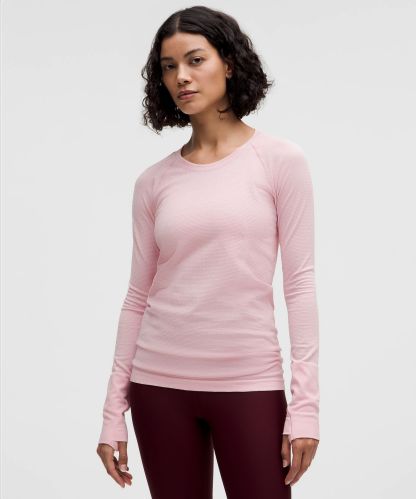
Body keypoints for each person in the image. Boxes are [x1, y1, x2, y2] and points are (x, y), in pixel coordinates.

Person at [96, 5, 320, 498]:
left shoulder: (280, 161)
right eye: (169, 66)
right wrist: (113, 412)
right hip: (158, 386)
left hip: (249, 382)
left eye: (195, 60)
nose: (181, 76)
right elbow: (137, 297)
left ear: (230, 64)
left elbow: (300, 285)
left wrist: (305, 408)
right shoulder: (153, 182)